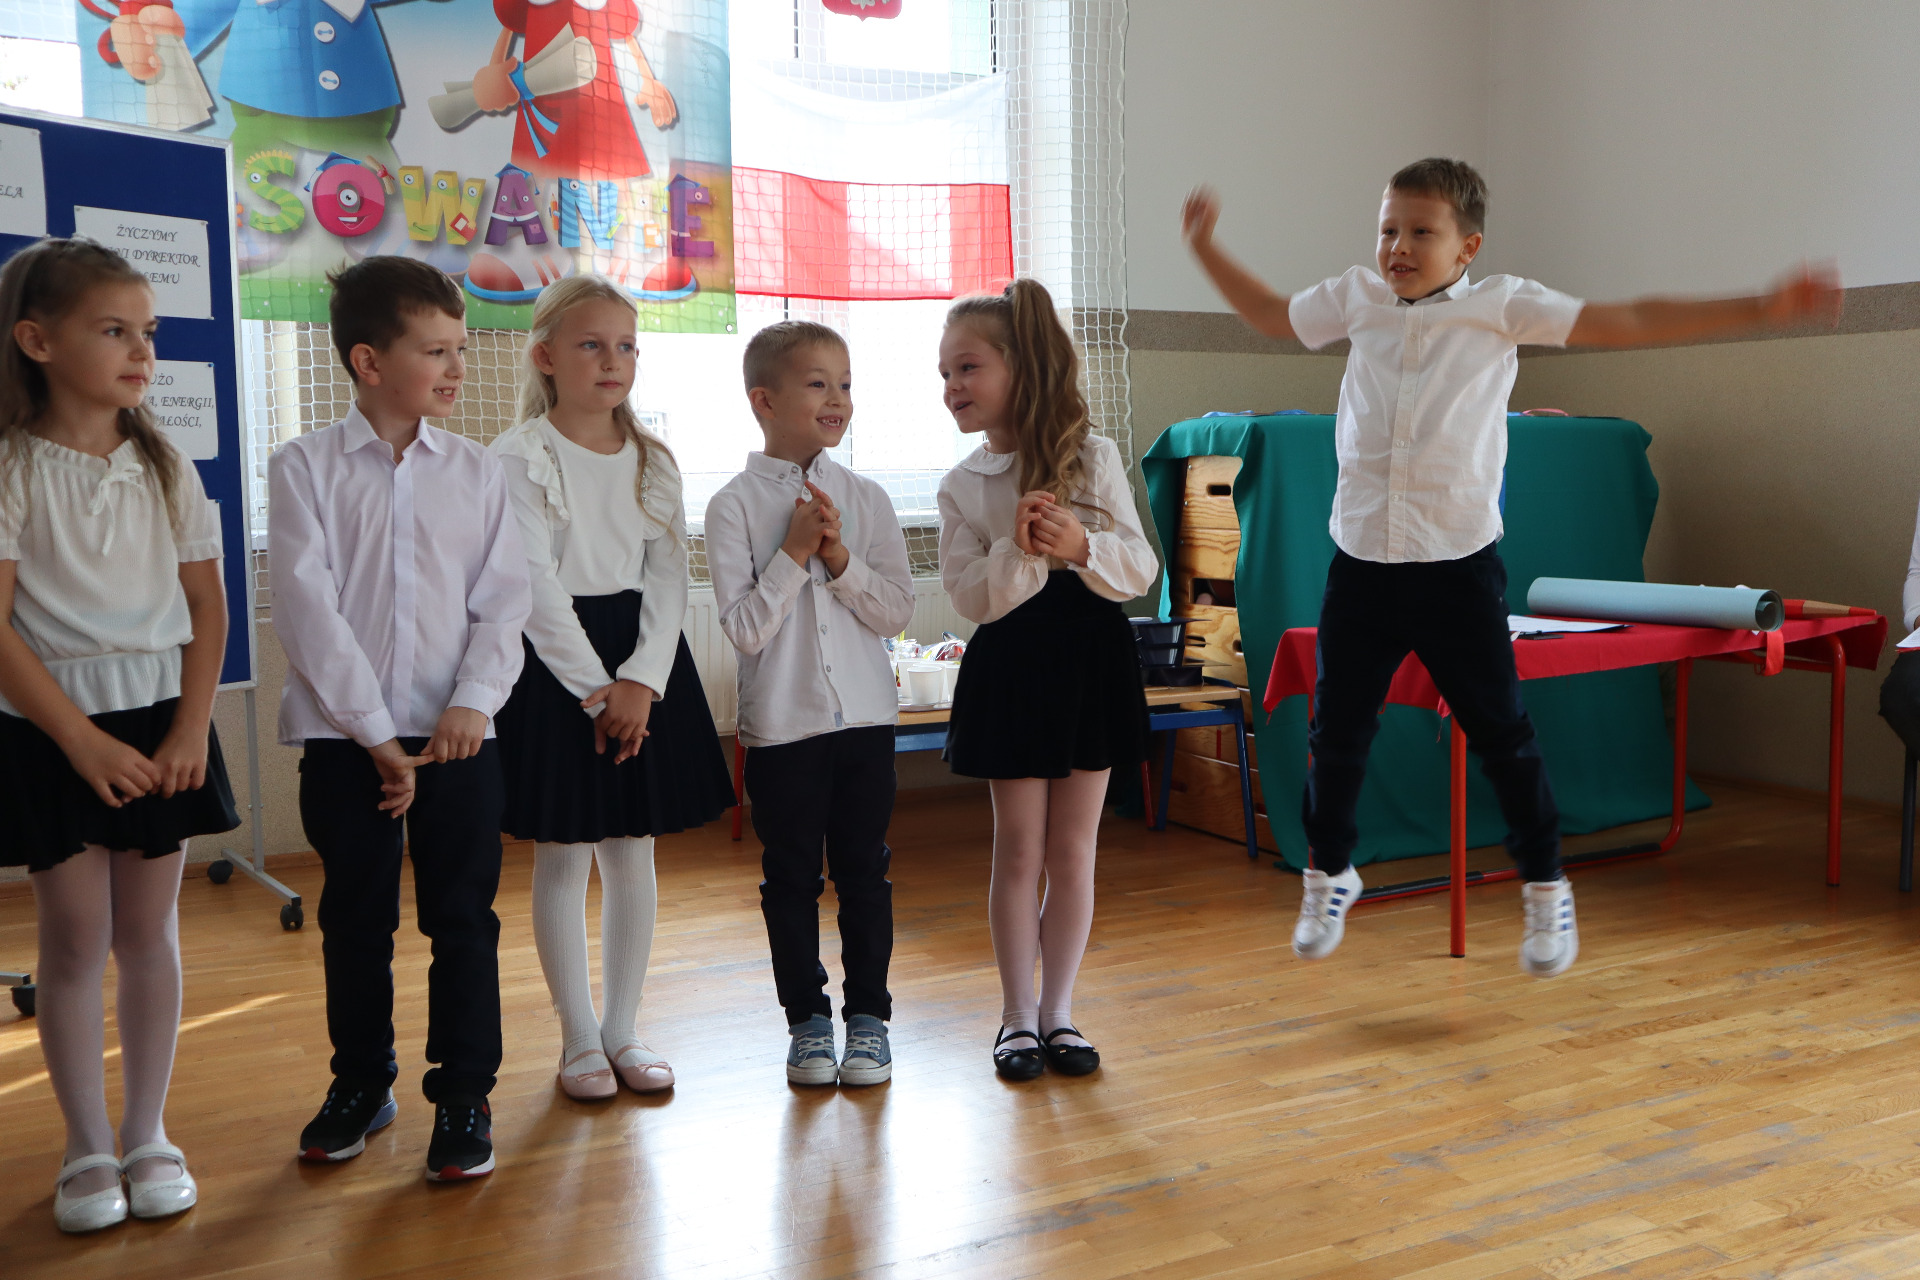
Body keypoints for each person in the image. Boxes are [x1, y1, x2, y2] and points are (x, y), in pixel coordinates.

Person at [1183, 157, 1842, 977]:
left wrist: (1761, 306)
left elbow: (1629, 318)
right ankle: (1329, 871)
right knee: (1338, 732)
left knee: (1501, 734)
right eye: (1388, 229)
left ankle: (1545, 885)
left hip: (1455, 566)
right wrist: (1206, 247)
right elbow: (1268, 314)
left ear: (1467, 247)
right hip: (1362, 561)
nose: (1397, 246)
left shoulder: (1500, 306)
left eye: (1421, 232)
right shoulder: (1357, 298)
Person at [269, 256, 531, 1180]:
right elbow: (308, 611)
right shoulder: (302, 468)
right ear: (369, 361)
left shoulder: (479, 472)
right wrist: (377, 735)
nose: (458, 368)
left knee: (462, 918)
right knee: (356, 918)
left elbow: (504, 603)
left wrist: (470, 704)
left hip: (459, 740)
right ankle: (360, 1083)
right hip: (348, 743)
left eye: (460, 348)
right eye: (436, 351)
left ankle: (464, 1093)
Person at [0, 237, 239, 1232]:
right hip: (53, 728)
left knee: (149, 935)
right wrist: (79, 741)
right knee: (74, 940)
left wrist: (191, 727)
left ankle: (147, 1131)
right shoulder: (11, 465)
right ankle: (87, 1144)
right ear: (37, 341)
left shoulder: (165, 462)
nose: (143, 350)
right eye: (114, 330)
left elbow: (208, 608)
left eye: (149, 331)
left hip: (159, 720)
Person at [490, 276, 732, 1101]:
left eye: (625, 345)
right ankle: (579, 1040)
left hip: (643, 665)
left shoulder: (654, 459)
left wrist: (642, 682)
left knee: (633, 850)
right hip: (558, 668)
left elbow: (669, 579)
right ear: (545, 356)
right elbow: (532, 586)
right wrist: (598, 691)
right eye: (591, 344)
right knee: (563, 853)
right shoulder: (518, 456)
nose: (612, 360)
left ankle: (624, 1028)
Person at [936, 279, 1159, 1081]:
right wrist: (1020, 551)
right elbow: (968, 597)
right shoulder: (963, 484)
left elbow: (1139, 568)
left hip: (1090, 663)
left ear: (1020, 368)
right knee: (1019, 850)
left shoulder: (1093, 456)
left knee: (1073, 850)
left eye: (967, 367)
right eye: (945, 373)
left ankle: (1059, 1014)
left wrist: (1079, 547)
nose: (952, 386)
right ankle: (1016, 1018)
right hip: (1014, 667)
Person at [705, 321, 915, 1086]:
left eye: (846, 384)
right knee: (790, 879)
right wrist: (794, 552)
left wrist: (839, 557)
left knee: (865, 873)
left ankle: (870, 1022)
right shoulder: (731, 507)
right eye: (818, 383)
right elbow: (745, 630)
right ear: (764, 400)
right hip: (783, 729)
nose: (838, 399)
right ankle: (807, 1025)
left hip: (866, 722)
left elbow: (896, 612)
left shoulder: (867, 499)